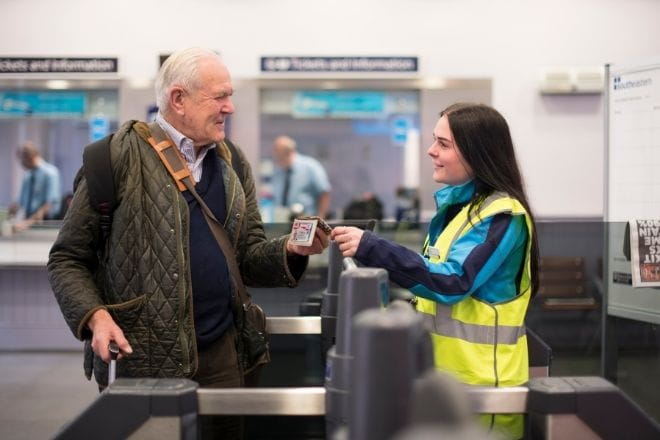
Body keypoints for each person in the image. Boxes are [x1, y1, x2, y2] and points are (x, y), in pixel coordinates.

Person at [47, 47, 328, 439]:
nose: (230, 107)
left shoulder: (232, 162)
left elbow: (245, 255)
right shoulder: (113, 158)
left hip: (224, 356)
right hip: (144, 359)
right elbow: (66, 258)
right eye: (220, 97)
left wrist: (290, 251)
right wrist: (95, 316)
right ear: (178, 99)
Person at [332, 103, 539, 439]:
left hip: (483, 389)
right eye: (434, 141)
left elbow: (451, 281)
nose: (431, 151)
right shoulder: (454, 211)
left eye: (444, 145)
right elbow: (429, 279)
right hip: (442, 383)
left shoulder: (502, 216)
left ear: (477, 154)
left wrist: (373, 248)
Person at [271, 135, 331, 218]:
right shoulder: (279, 171)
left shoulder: (310, 166)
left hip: (307, 220)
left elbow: (324, 192)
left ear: (289, 152)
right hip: (283, 221)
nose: (276, 155)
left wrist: (321, 218)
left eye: (278, 152)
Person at [9, 141, 61, 230]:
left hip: (46, 223)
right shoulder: (28, 175)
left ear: (30, 157)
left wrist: (28, 223)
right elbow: (20, 202)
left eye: (21, 159)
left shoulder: (51, 173)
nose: (21, 163)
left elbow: (50, 204)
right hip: (29, 221)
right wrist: (8, 216)